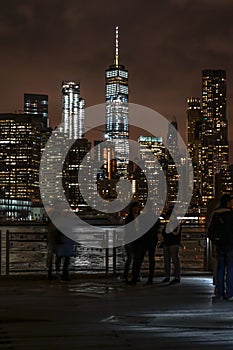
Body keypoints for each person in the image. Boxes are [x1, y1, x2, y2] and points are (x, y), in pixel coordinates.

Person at [208, 194, 233, 301]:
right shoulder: (231, 214)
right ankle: (230, 293)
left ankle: (219, 294)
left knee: (220, 269)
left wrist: (214, 245)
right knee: (231, 270)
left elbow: (211, 231)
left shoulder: (216, 214)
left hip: (220, 245)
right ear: (228, 202)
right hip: (231, 245)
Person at [161, 209, 182, 284]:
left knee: (175, 260)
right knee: (167, 260)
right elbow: (163, 233)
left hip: (174, 243)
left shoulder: (177, 223)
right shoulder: (168, 224)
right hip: (166, 243)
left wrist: (170, 229)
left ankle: (176, 277)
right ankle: (167, 276)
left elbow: (176, 234)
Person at [122, 202, 141, 283]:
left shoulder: (140, 217)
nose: (136, 209)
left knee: (136, 259)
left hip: (138, 240)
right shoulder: (129, 218)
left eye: (137, 207)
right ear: (132, 208)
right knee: (130, 259)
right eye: (134, 207)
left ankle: (136, 275)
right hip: (129, 240)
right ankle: (125, 276)